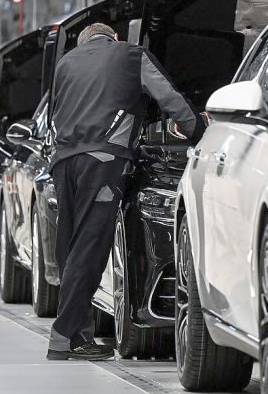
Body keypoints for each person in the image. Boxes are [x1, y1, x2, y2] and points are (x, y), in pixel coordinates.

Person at [46, 22, 205, 361]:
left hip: (63, 162)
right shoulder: (131, 54)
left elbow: (59, 113)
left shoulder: (66, 63)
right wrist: (198, 129)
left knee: (71, 247)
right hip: (102, 160)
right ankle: (62, 337)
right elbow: (168, 96)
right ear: (115, 37)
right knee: (91, 245)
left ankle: (78, 336)